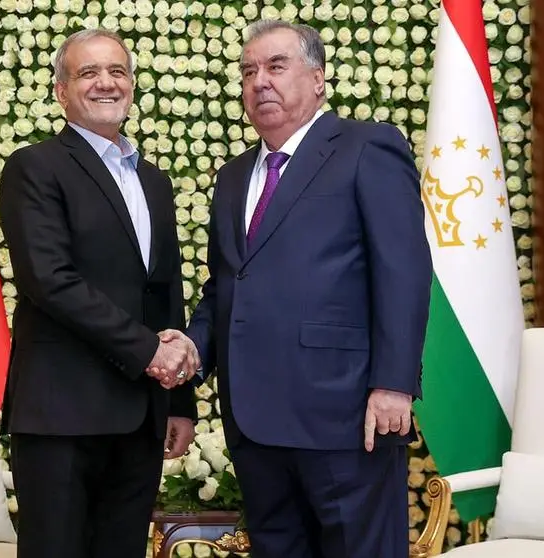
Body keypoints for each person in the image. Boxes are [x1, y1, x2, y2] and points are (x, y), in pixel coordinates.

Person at [169, 19, 433, 558]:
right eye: (248, 72)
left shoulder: (367, 147)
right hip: (254, 422)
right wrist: (191, 352)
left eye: (275, 66)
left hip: (346, 415)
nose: (259, 81)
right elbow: (226, 286)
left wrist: (394, 383)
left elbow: (403, 271)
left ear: (317, 78)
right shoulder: (233, 177)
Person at [0, 28, 199, 558]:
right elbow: (49, 279)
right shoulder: (34, 166)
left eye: (117, 72)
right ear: (61, 92)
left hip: (141, 415)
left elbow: (164, 291)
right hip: (62, 414)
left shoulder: (153, 180)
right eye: (88, 73)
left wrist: (179, 401)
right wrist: (149, 351)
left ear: (131, 85)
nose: (106, 83)